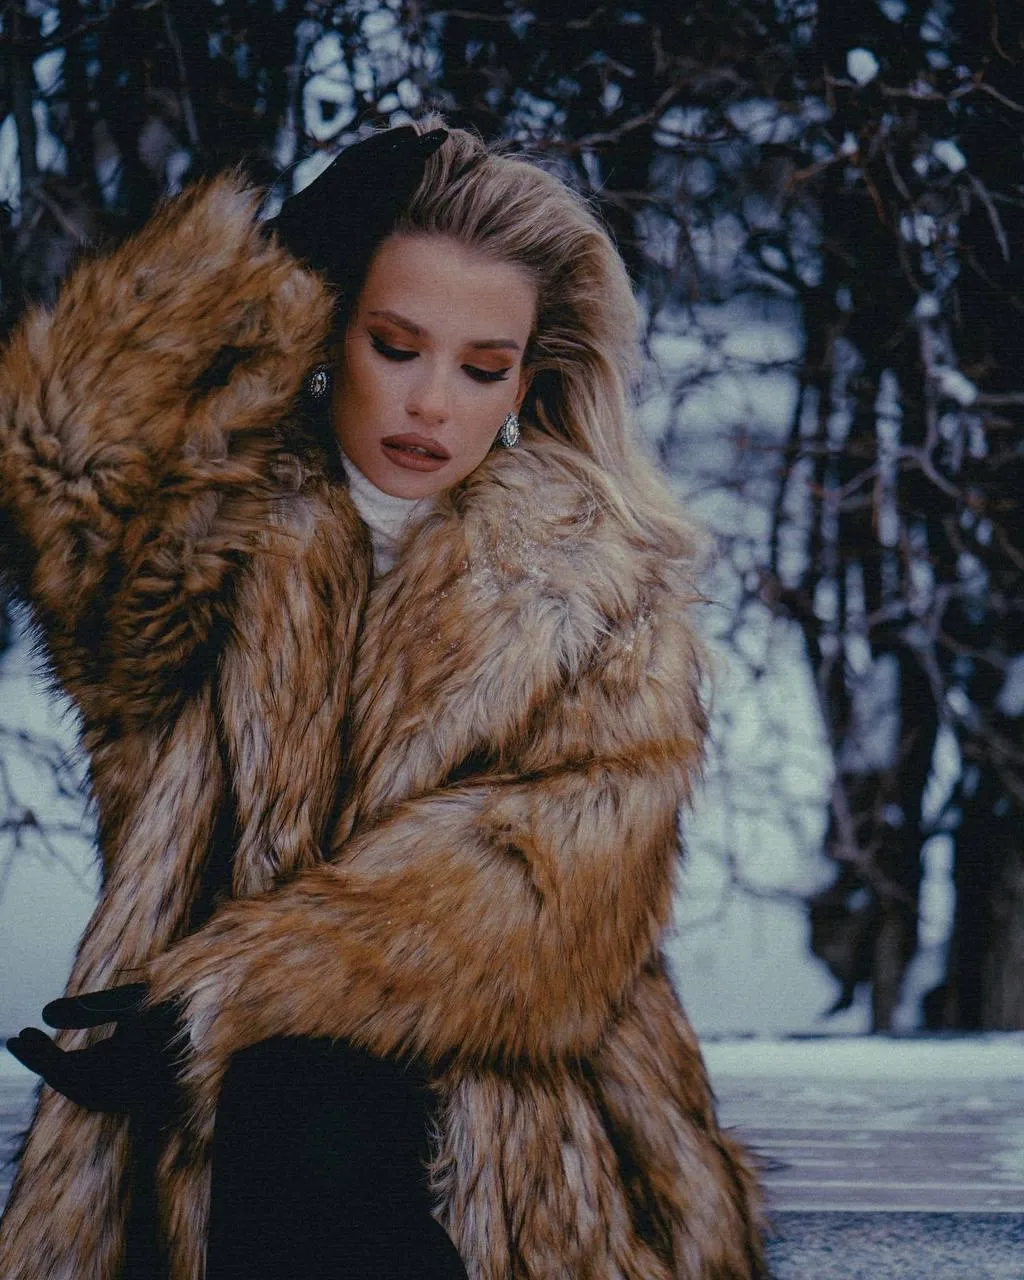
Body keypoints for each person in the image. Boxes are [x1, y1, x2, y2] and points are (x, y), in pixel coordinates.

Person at [0, 116, 766, 1278]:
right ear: (328, 327)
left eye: (481, 366)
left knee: (305, 1096)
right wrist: (261, 270)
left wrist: (227, 999)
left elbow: (553, 884)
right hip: (184, 1126)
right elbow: (66, 464)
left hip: (508, 1123)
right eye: (396, 345)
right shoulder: (205, 530)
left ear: (529, 377)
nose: (432, 404)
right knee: (284, 1111)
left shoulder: (598, 582)